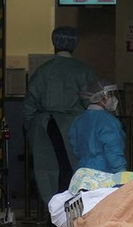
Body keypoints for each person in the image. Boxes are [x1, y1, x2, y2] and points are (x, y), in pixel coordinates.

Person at [22, 26, 97, 206]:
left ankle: (54, 211)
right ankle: (75, 208)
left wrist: (30, 130)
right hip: (76, 126)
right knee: (74, 168)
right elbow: (92, 102)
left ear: (53, 43)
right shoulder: (83, 71)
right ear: (75, 44)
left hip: (46, 127)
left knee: (48, 169)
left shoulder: (43, 71)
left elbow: (29, 105)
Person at [67, 83, 126, 174]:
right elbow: (113, 151)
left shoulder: (78, 120)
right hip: (103, 173)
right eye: (110, 95)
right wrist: (121, 172)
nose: (113, 99)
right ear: (101, 97)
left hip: (82, 172)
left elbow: (75, 148)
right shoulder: (108, 121)